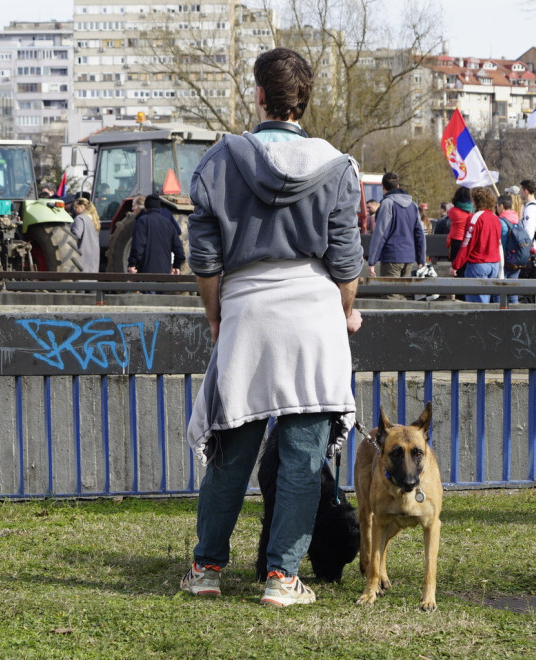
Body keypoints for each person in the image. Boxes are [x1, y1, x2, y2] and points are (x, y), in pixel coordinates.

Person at [183, 47, 363, 607]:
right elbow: (346, 262)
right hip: (313, 315)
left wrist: (216, 315)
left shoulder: (219, 160)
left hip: (247, 311)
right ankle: (282, 579)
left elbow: (206, 259)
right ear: (304, 100)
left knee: (231, 450)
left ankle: (207, 568)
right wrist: (345, 310)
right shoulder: (339, 166)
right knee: (305, 456)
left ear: (259, 94)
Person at [366, 172, 426, 293]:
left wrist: (372, 261)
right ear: (398, 185)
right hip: (409, 258)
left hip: (391, 258)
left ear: (383, 187)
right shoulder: (413, 205)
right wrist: (421, 260)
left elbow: (380, 234)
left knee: (391, 295)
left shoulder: (387, 204)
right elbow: (420, 234)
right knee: (403, 295)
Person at [450, 187, 501, 303]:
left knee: (477, 305)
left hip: (479, 264)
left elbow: (467, 244)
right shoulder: (496, 218)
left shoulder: (475, 218)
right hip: (494, 264)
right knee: (488, 303)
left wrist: (456, 265)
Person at [127, 194, 185, 275]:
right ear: (159, 208)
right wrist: (176, 265)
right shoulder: (169, 223)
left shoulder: (142, 221)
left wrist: (132, 264)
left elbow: (138, 246)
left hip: (145, 273)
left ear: (145, 208)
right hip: (164, 273)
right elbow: (179, 250)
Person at [496, 192, 523, 304]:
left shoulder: (500, 222)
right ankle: (515, 316)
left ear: (501, 206)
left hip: (504, 261)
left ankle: (500, 316)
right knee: (513, 291)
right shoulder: (518, 221)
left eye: (497, 206)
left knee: (499, 291)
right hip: (516, 260)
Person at [71, 197, 101, 273]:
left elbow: (76, 235)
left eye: (76, 207)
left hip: (83, 253)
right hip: (94, 254)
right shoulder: (94, 219)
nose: (74, 209)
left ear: (82, 207)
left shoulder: (80, 218)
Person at [445, 186, 473, 264]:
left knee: (456, 264)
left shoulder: (452, 211)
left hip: (456, 241)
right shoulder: (472, 212)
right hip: (468, 240)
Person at [519, 179, 536, 256]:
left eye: (521, 189)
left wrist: (525, 247)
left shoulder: (530, 209)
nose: (519, 192)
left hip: (533, 250)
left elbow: (529, 232)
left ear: (526, 191)